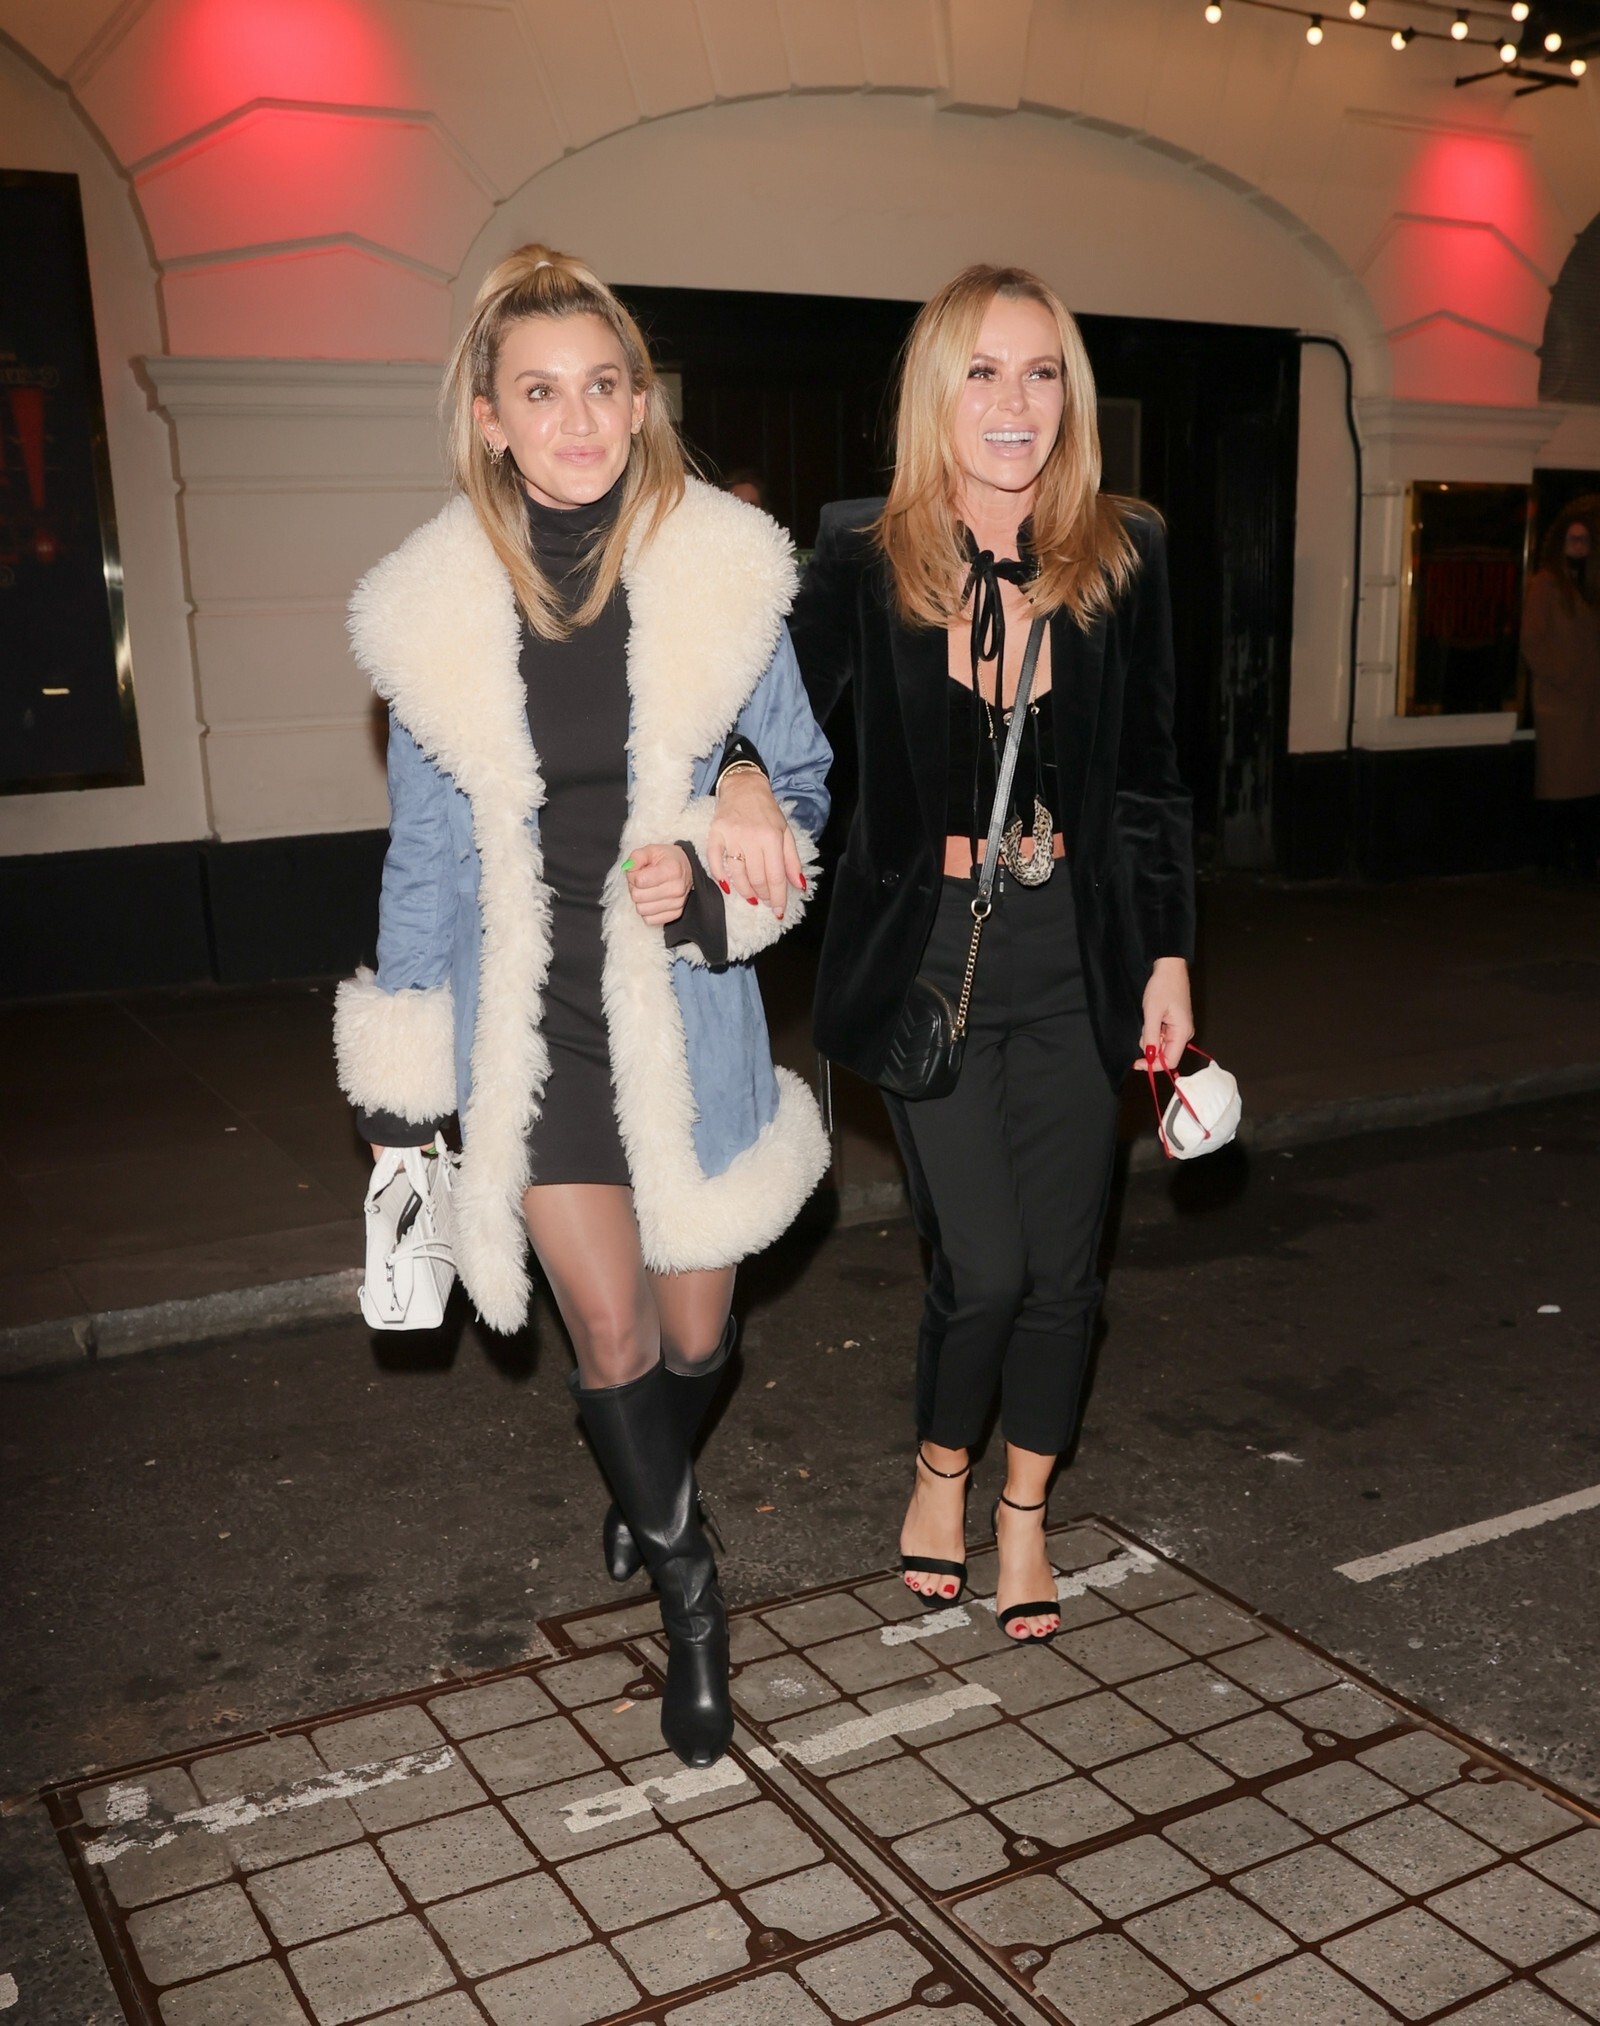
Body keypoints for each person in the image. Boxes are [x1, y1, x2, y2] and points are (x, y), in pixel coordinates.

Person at [333, 245, 831, 1765]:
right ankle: (695, 1599)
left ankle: (645, 1466)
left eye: (603, 386)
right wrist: (404, 1105)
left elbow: (804, 783)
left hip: (682, 1015)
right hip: (527, 1025)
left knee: (697, 1334)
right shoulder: (432, 612)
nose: (578, 420)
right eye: (540, 392)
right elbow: (424, 863)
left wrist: (737, 806)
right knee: (606, 1328)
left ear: (639, 400)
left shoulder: (724, 572)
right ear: (488, 417)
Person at [788, 263, 1194, 1642]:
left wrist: (1168, 957)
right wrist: (737, 784)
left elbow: (1151, 783)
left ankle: (1023, 1509)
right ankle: (939, 1468)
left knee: (1068, 1274)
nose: (1013, 400)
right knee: (990, 1267)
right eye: (982, 369)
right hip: (930, 958)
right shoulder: (861, 551)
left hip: (1077, 949)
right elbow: (768, 717)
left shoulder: (1123, 550)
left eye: (1040, 371)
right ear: (935, 390)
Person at [1521, 499, 1600, 881]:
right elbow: (1532, 641)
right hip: (1560, 703)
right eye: (1573, 539)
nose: (1579, 547)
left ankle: (1581, 858)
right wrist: (1564, 676)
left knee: (1587, 788)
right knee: (1559, 786)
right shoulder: (1546, 584)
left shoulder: (1592, 585)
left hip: (1589, 702)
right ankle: (1552, 859)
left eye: (1585, 540)